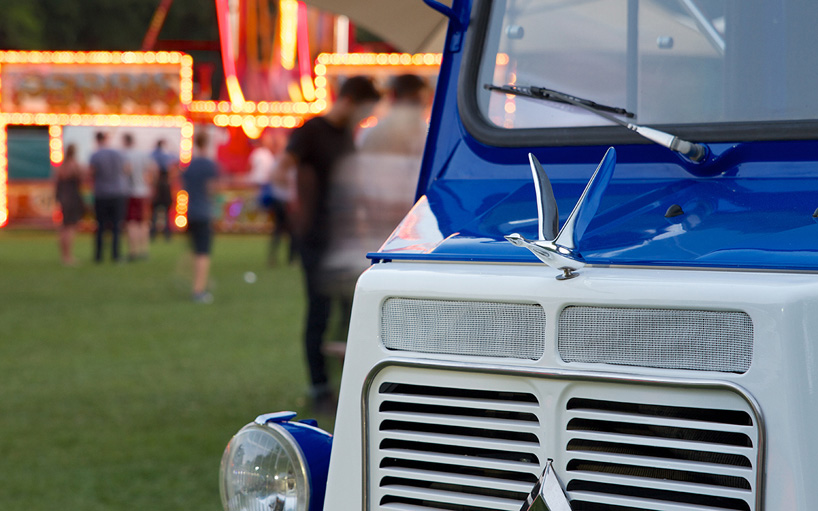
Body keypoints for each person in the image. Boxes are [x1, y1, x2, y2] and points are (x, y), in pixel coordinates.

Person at [273, 75, 381, 411]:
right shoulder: (311, 131)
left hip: (343, 239)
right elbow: (281, 169)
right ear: (349, 101)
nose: (363, 118)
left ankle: (347, 382)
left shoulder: (347, 138)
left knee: (351, 313)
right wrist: (294, 210)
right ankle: (320, 388)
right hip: (316, 239)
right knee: (319, 312)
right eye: (363, 110)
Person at [182, 130, 218, 303]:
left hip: (191, 211)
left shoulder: (190, 165)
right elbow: (212, 189)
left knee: (196, 250)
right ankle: (199, 289)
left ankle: (198, 283)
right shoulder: (209, 165)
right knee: (203, 252)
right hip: (204, 212)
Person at [248, 129, 292, 266]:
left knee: (285, 230)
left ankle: (286, 258)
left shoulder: (279, 159)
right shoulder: (278, 160)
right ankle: (286, 258)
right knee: (284, 229)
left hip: (283, 198)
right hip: (283, 199)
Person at [89, 131, 127, 263]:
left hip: (101, 193)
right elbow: (126, 170)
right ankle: (116, 255)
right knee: (116, 226)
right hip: (117, 192)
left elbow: (91, 173)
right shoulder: (117, 154)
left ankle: (99, 255)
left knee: (100, 225)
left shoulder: (95, 155)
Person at [122, 133, 157, 261]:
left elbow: (126, 170)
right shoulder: (143, 154)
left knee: (131, 222)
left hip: (130, 192)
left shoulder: (125, 155)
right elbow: (153, 168)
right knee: (143, 222)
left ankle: (133, 250)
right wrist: (149, 182)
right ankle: (144, 250)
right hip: (143, 192)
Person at [54, 143, 85, 266]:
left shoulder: (61, 166)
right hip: (72, 198)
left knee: (63, 227)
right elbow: (81, 179)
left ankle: (64, 255)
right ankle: (69, 256)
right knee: (71, 227)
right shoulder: (75, 165)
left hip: (63, 198)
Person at [150, 139, 176, 241]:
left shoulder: (154, 155)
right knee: (166, 213)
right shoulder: (167, 156)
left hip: (157, 186)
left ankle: (153, 233)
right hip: (164, 186)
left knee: (155, 213)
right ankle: (167, 234)